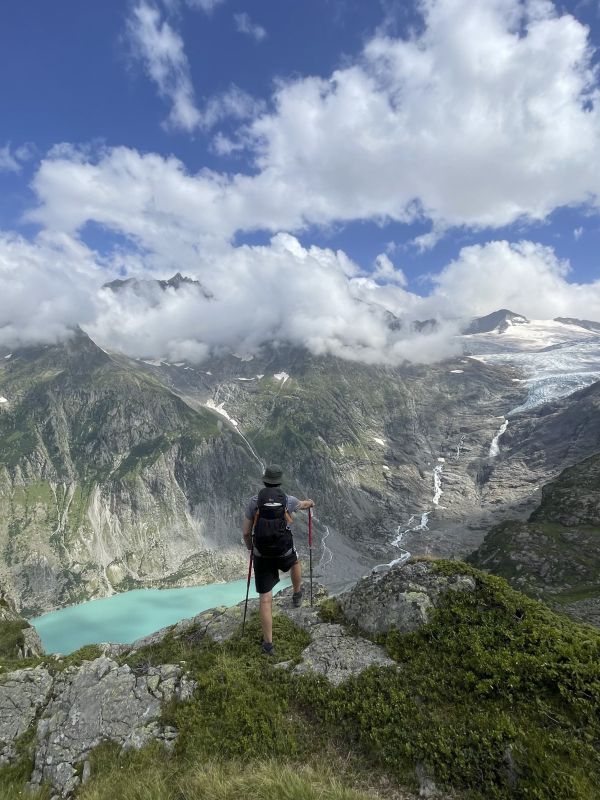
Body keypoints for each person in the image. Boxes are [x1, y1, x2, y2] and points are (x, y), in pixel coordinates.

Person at [242, 464, 315, 655]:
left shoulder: (254, 501)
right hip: (283, 550)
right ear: (279, 481)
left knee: (265, 600)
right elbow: (303, 505)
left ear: (264, 480)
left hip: (261, 554)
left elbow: (246, 532)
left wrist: (251, 548)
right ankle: (297, 593)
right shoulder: (287, 500)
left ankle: (268, 645)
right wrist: (310, 503)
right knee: (295, 562)